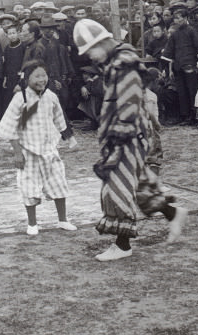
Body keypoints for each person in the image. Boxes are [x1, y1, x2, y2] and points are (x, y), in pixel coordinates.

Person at [72, 19, 188, 262]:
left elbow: (129, 102)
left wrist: (119, 134)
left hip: (127, 132)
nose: (91, 57)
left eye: (91, 50)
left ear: (102, 42)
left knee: (116, 186)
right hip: (127, 130)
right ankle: (172, 212)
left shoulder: (123, 63)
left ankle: (122, 244)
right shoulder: (117, 61)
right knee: (136, 183)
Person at [0, 59, 78, 235]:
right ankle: (32, 224)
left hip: (49, 149)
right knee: (29, 188)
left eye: (44, 75)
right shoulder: (20, 98)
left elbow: (59, 119)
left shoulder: (51, 97)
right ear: (27, 78)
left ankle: (63, 220)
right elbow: (9, 127)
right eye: (37, 76)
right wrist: (18, 153)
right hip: (28, 150)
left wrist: (69, 137)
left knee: (58, 183)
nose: (42, 80)